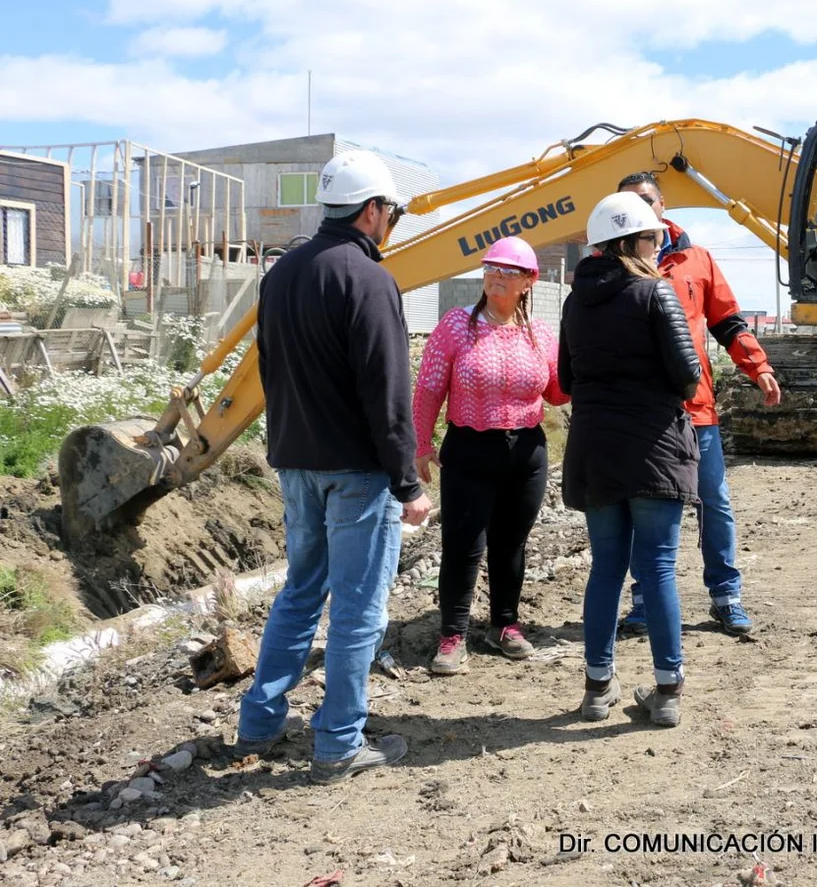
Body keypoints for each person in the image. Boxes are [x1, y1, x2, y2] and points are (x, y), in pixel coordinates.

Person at [237, 150, 431, 785]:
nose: (390, 224)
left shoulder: (281, 274)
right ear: (372, 210)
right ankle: (339, 742)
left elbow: (270, 371)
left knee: (299, 590)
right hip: (356, 470)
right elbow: (388, 391)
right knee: (357, 608)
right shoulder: (369, 279)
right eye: (391, 213)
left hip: (297, 462)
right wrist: (408, 482)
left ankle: (260, 723)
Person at [616, 172, 781, 638]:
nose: (640, 211)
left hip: (696, 411)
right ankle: (645, 601)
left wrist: (758, 366)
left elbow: (726, 321)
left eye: (646, 201)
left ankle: (726, 597)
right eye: (628, 204)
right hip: (642, 413)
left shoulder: (697, 260)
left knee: (714, 503)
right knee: (641, 510)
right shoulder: (610, 264)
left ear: (662, 204)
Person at [559, 191, 701, 727]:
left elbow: (568, 380)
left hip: (597, 450)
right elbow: (688, 376)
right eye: (653, 237)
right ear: (630, 242)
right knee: (658, 567)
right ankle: (666, 691)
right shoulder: (655, 294)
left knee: (606, 567)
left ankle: (597, 688)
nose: (658, 245)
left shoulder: (575, 302)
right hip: (654, 450)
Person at [411, 236, 568, 674]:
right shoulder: (456, 325)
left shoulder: (538, 334)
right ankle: (452, 635)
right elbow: (427, 389)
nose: (496, 277)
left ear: (528, 281)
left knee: (510, 544)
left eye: (507, 271)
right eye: (491, 269)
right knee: (463, 545)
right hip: (469, 451)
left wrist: (585, 359)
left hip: (527, 453)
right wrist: (420, 446)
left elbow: (557, 393)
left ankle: (503, 624)